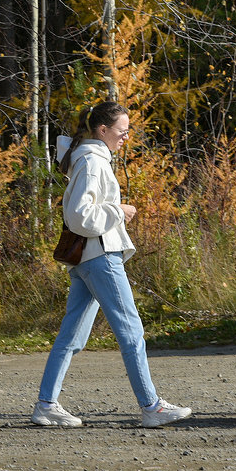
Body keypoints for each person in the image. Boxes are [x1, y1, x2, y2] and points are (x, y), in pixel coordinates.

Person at [32, 101, 192, 429]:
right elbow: (78, 215)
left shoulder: (89, 158)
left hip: (88, 259)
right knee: (131, 331)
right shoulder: (92, 161)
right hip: (101, 258)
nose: (126, 137)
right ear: (102, 130)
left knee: (72, 336)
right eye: (122, 131)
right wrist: (119, 211)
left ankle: (46, 404)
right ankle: (151, 407)